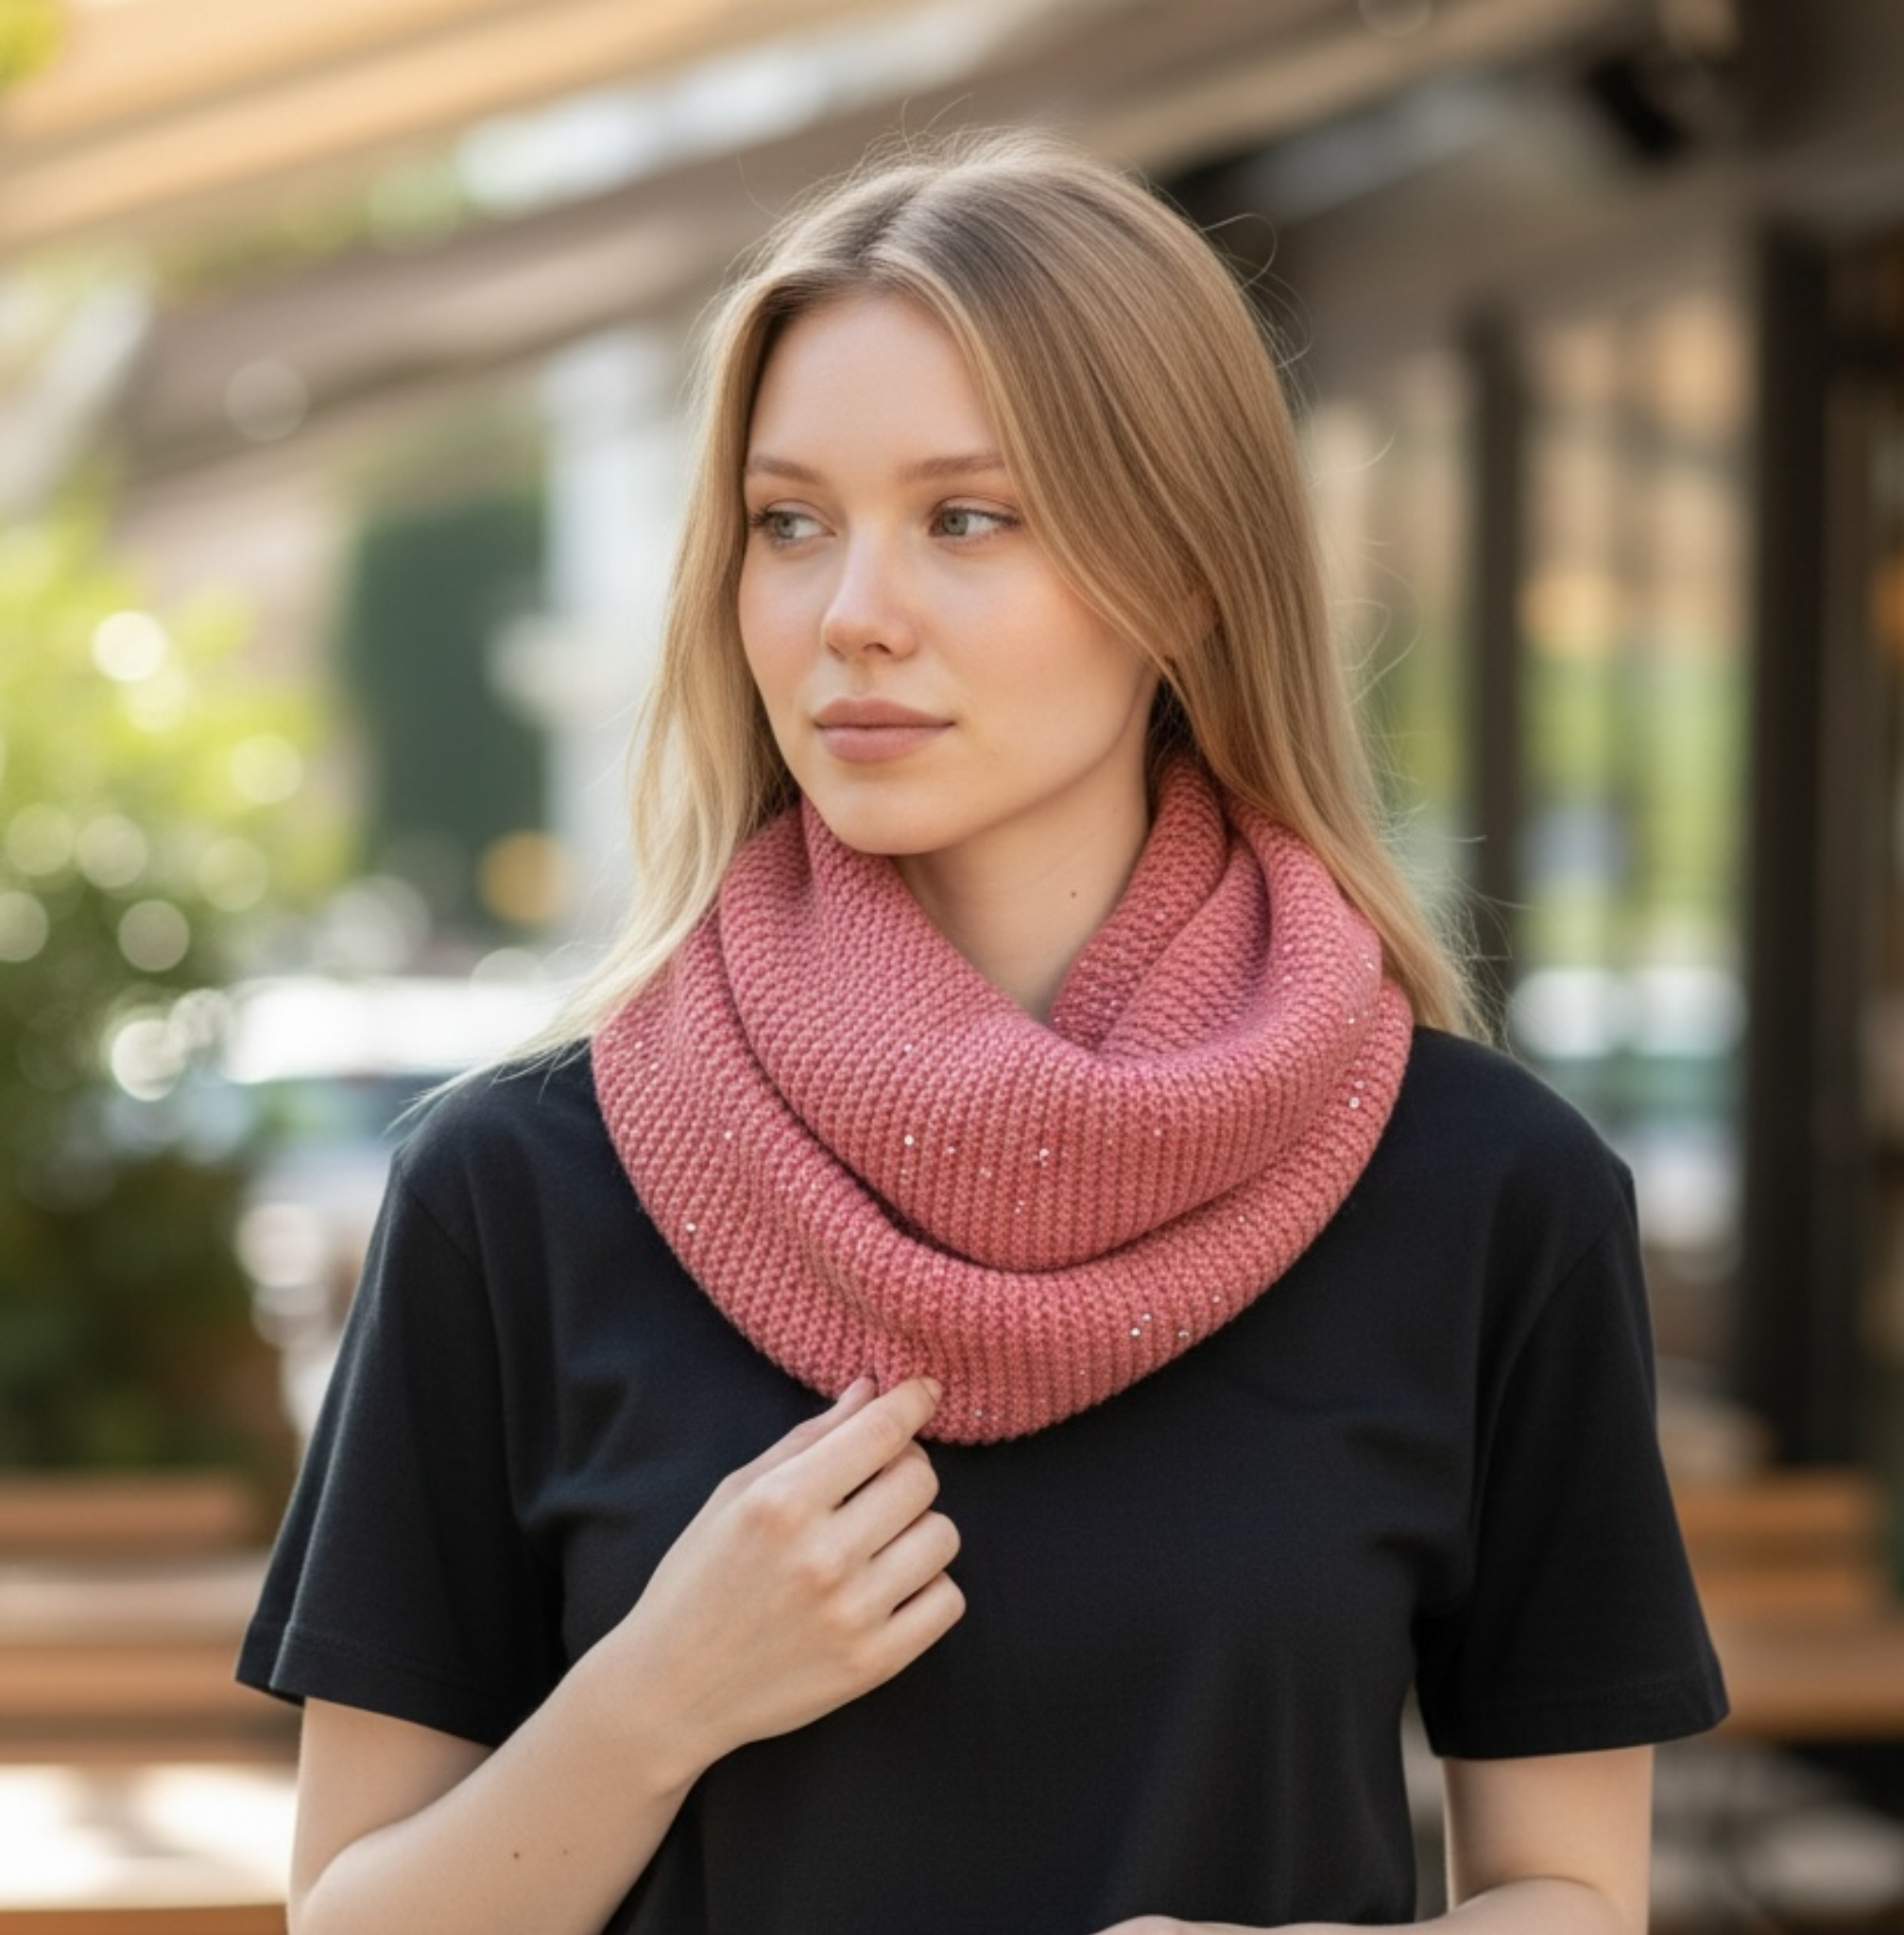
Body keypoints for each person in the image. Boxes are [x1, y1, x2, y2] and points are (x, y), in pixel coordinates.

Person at [238, 128, 1727, 1935]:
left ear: (1181, 575)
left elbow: (1576, 1891)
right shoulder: (519, 1188)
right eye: (790, 524)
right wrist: (654, 1700)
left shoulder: (1485, 1193)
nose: (851, 614)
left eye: (967, 517)